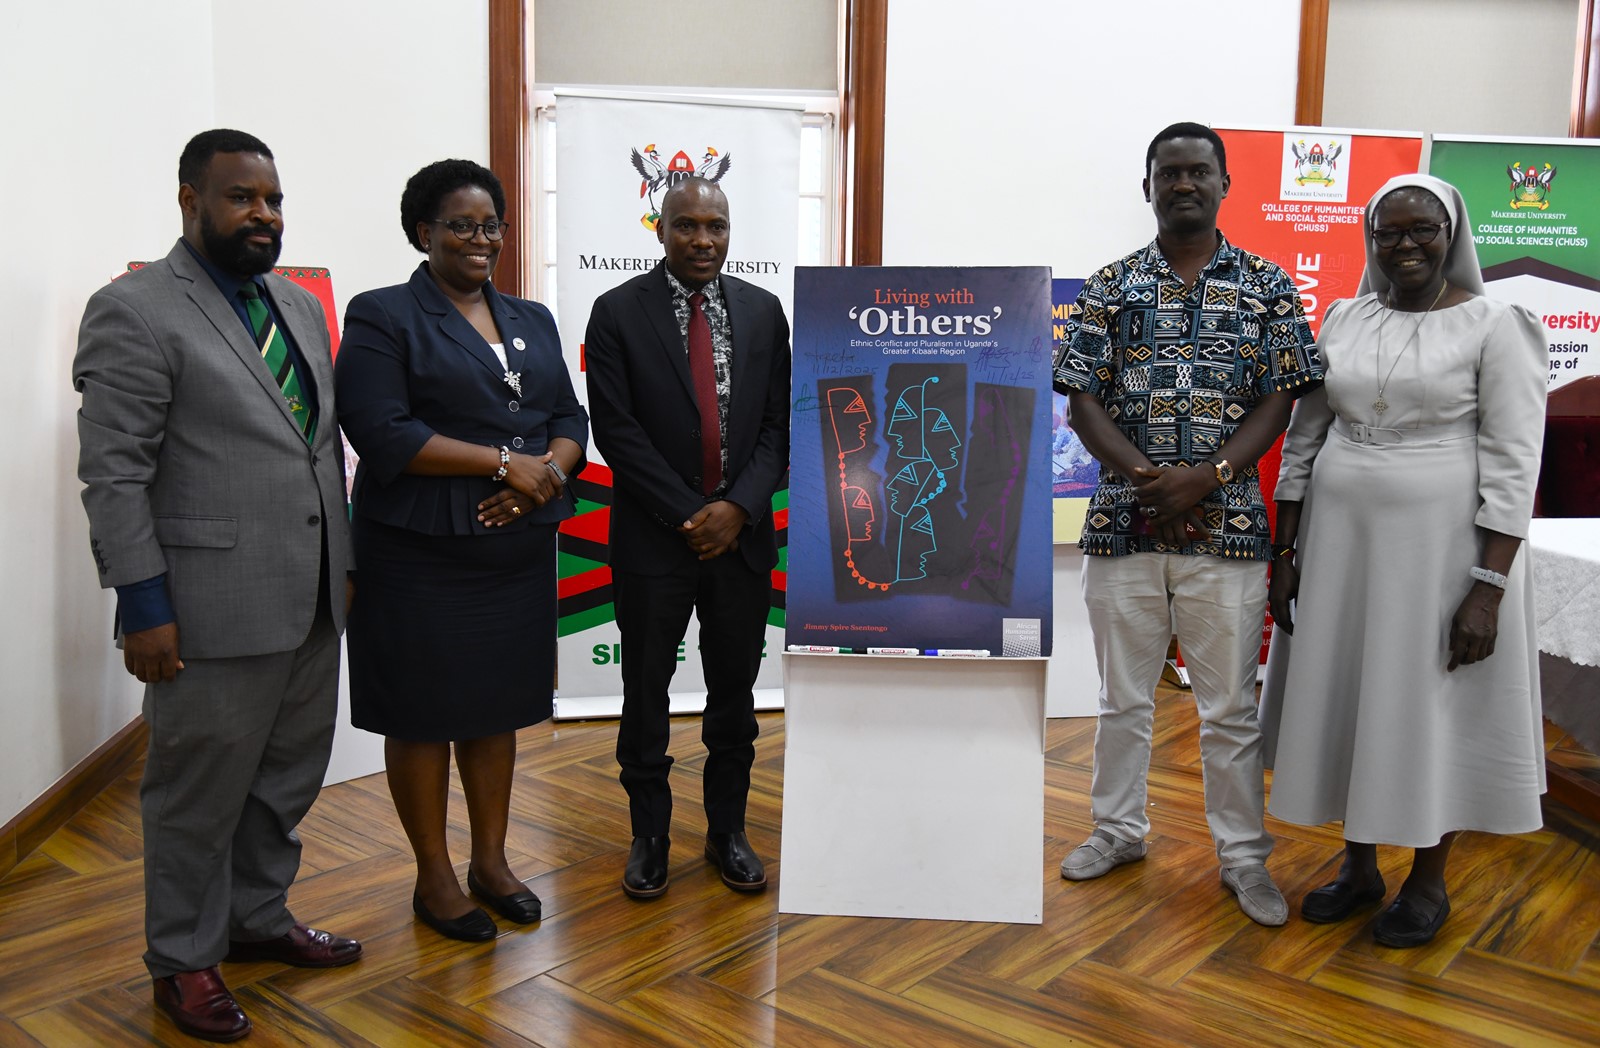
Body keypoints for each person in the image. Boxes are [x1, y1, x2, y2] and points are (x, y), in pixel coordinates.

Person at [74, 128, 360, 1043]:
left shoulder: (301, 307)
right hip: (205, 609)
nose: (263, 216)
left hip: (313, 594)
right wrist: (142, 605)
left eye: (273, 200)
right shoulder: (137, 310)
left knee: (286, 779)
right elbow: (114, 473)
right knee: (195, 795)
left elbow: (316, 446)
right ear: (190, 198)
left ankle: (258, 918)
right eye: (242, 198)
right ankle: (184, 960)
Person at [1260, 173, 1547, 947]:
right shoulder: (1345, 318)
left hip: (1442, 555)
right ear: (1370, 240)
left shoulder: (1496, 324)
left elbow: (1515, 465)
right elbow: (1304, 437)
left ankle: (1427, 878)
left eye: (1424, 229)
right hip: (1340, 545)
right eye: (1390, 232)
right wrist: (1285, 551)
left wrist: (1487, 587)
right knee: (1353, 694)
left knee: (1423, 706)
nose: (1407, 244)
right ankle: (1358, 866)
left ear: (1452, 236)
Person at [1051, 122, 1324, 927]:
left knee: (1229, 709)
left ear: (1224, 184)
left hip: (1230, 531)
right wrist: (1147, 482)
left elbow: (1281, 396)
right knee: (1121, 699)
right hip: (1123, 526)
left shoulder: (1269, 285)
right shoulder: (1110, 285)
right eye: (1168, 172)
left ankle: (1243, 858)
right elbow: (1082, 398)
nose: (1183, 184)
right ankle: (1117, 832)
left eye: (1198, 171)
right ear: (1147, 187)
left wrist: (1208, 478)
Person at [335, 160, 587, 942]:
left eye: (491, 226)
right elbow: (381, 432)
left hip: (512, 545)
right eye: (461, 225)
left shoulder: (533, 317)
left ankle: (491, 862)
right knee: (421, 714)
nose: (480, 240)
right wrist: (500, 462)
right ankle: (434, 878)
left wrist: (544, 474)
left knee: (494, 709)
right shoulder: (383, 315)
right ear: (424, 231)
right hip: (418, 550)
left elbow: (568, 418)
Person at [584, 176, 791, 899]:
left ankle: (727, 832)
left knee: (734, 695)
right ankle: (649, 838)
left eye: (717, 225)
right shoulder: (615, 313)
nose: (703, 239)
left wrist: (736, 509)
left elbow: (777, 425)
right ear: (660, 230)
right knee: (646, 692)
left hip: (741, 540)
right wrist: (690, 513)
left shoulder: (765, 313)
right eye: (687, 226)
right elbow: (616, 431)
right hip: (653, 541)